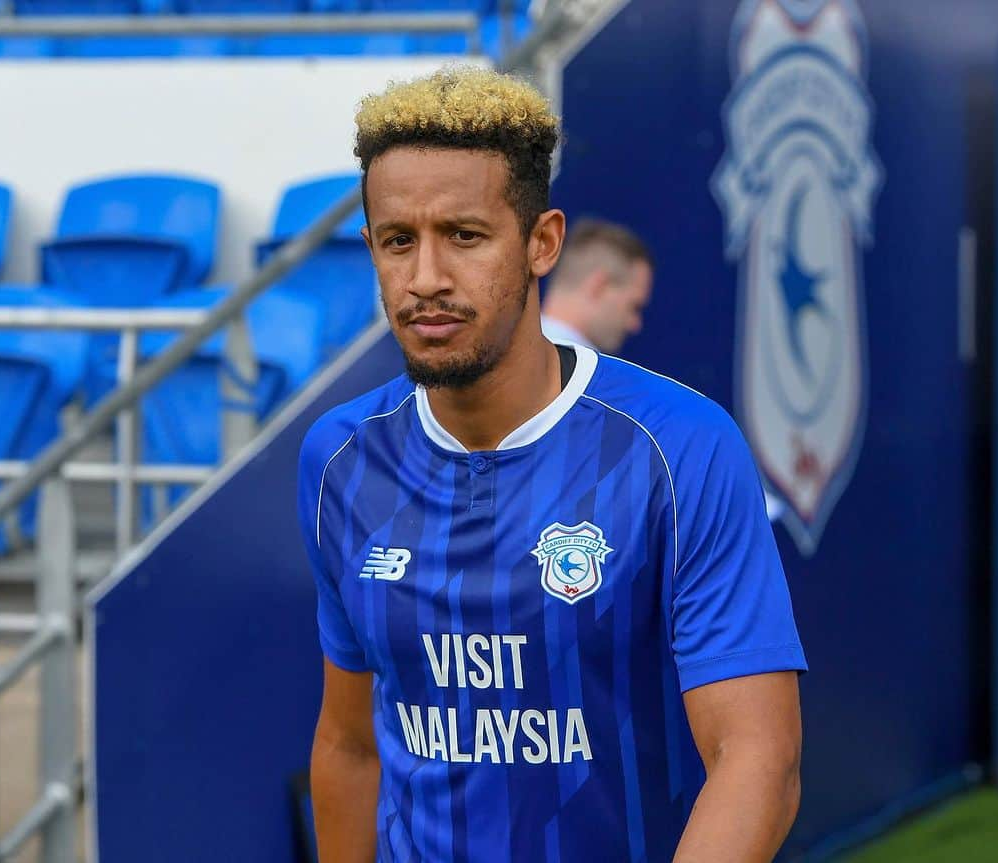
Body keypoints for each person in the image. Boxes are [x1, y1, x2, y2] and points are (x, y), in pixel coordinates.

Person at [298, 67, 807, 863]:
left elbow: (758, 761)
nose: (426, 278)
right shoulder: (341, 458)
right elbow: (351, 744)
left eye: (464, 236)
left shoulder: (680, 447)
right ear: (371, 249)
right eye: (400, 241)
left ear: (543, 242)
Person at [540, 218, 653, 352]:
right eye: (633, 307)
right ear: (599, 287)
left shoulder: (515, 352)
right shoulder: (593, 370)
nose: (635, 325)